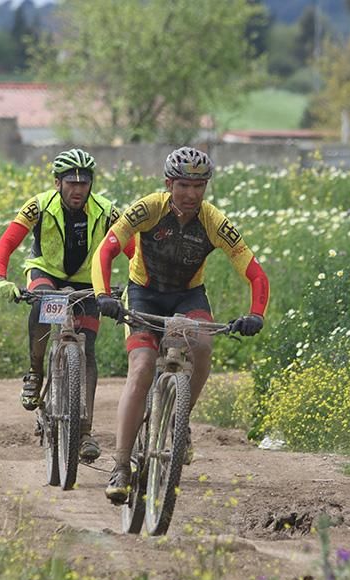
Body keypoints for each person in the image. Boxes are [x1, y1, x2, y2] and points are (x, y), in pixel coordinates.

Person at [91, 146, 269, 504]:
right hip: (144, 293)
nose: (191, 194)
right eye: (184, 185)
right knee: (141, 369)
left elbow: (254, 271)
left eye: (199, 186)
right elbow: (106, 250)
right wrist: (103, 294)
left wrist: (256, 313)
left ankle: (179, 421)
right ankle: (122, 465)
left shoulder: (213, 220)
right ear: (169, 184)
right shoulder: (149, 208)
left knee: (202, 344)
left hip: (188, 297)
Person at [0, 148, 120, 463]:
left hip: (88, 282)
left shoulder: (106, 211)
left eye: (84, 182)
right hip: (45, 272)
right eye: (70, 182)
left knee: (87, 350)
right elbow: (7, 242)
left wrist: (139, 285)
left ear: (92, 184)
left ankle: (85, 432)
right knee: (45, 300)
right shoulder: (39, 206)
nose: (78, 189)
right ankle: (35, 373)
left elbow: (134, 247)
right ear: (57, 182)